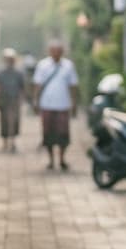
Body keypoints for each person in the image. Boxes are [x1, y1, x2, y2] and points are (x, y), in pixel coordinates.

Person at [33, 40, 78, 171]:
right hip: (47, 104)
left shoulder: (68, 66)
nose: (56, 53)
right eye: (53, 51)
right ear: (50, 52)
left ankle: (62, 159)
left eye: (58, 51)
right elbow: (37, 84)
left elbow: (73, 85)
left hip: (63, 104)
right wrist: (36, 101)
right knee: (48, 133)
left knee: (63, 134)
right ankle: (51, 160)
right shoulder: (43, 65)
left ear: (62, 52)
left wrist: (74, 103)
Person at [0, 50, 26, 153]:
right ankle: (5, 143)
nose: (10, 61)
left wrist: (20, 101)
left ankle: (13, 142)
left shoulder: (19, 73)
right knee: (4, 121)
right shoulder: (1, 73)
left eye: (11, 59)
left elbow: (22, 88)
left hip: (14, 100)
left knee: (14, 121)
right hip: (4, 100)